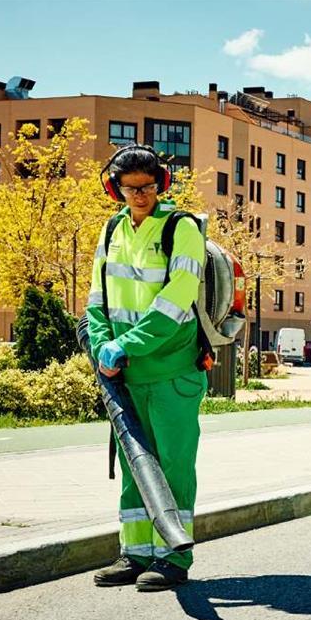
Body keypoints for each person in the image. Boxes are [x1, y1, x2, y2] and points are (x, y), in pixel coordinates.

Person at [86, 145, 207, 591]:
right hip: (125, 372)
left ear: (162, 184)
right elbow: (97, 299)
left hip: (173, 370)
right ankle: (135, 552)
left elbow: (176, 299)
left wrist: (126, 343)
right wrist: (103, 345)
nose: (139, 195)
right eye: (130, 187)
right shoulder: (112, 229)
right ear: (113, 187)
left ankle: (174, 556)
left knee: (173, 466)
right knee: (135, 465)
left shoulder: (182, 229)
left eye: (148, 186)